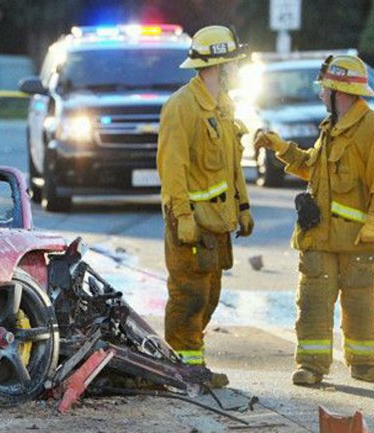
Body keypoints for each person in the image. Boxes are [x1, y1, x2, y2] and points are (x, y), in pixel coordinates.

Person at [254, 55, 374, 385]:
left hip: (359, 240)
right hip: (320, 236)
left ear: (340, 92)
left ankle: (363, 364)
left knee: (361, 303)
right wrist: (281, 148)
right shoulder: (330, 128)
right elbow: (313, 168)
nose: (320, 94)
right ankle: (311, 366)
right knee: (313, 302)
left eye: (325, 88)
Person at [157, 25, 254, 389]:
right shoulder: (182, 107)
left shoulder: (223, 107)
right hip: (192, 225)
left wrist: (243, 206)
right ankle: (182, 371)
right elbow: (172, 168)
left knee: (210, 296)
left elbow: (232, 164)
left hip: (216, 225)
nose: (237, 70)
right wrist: (182, 215)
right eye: (233, 63)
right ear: (219, 66)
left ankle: (189, 365)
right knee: (189, 296)